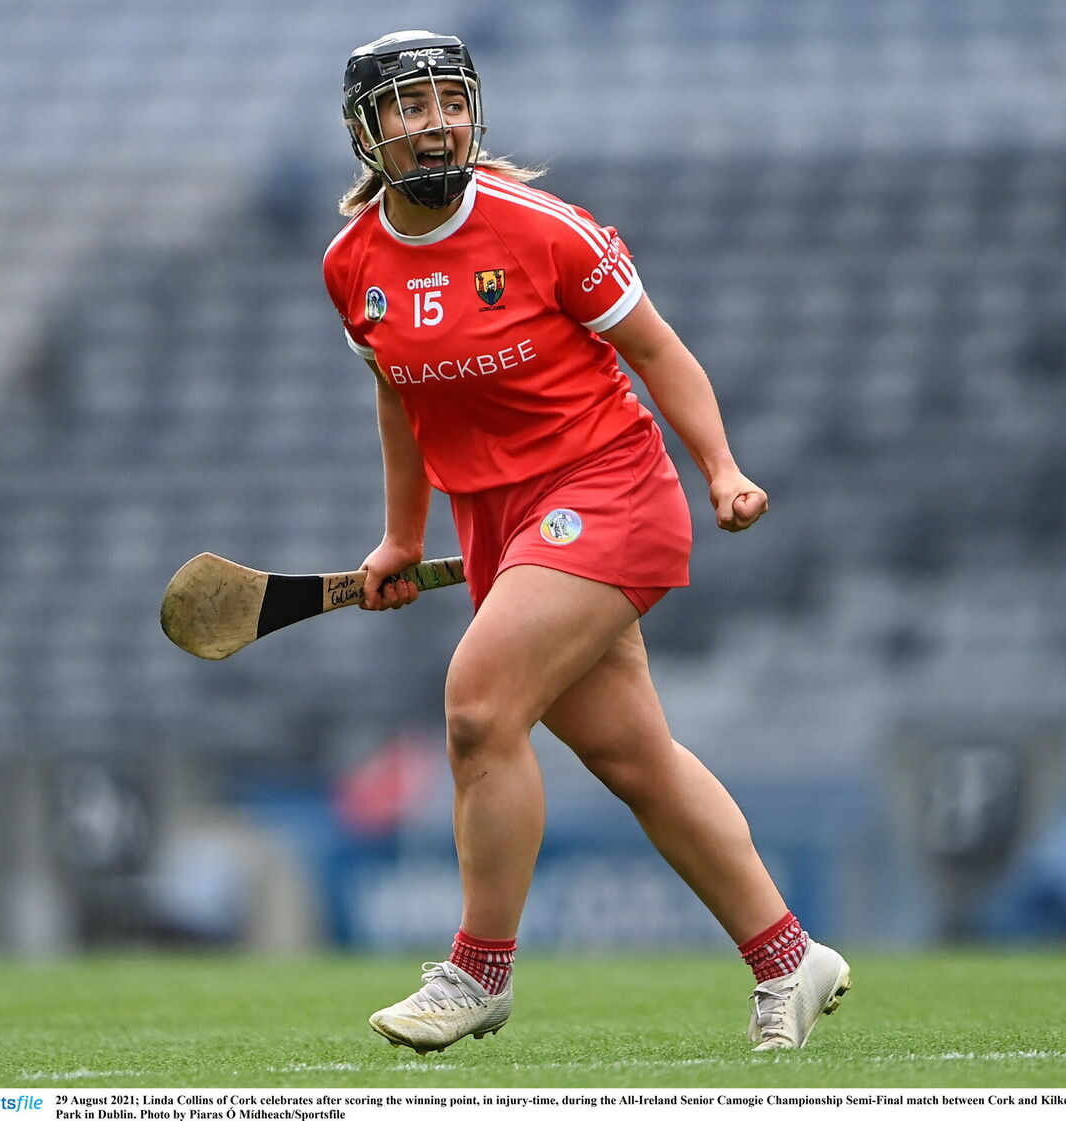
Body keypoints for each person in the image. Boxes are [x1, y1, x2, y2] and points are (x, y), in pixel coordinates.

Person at [323, 29, 851, 1055]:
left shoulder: (543, 230)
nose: (435, 124)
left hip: (606, 491)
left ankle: (477, 971)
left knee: (479, 706)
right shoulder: (354, 265)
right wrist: (401, 536)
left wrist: (722, 468)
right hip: (498, 524)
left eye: (449, 102)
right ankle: (790, 954)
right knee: (634, 757)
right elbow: (399, 398)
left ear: (476, 111)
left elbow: (658, 350)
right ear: (365, 132)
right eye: (409, 107)